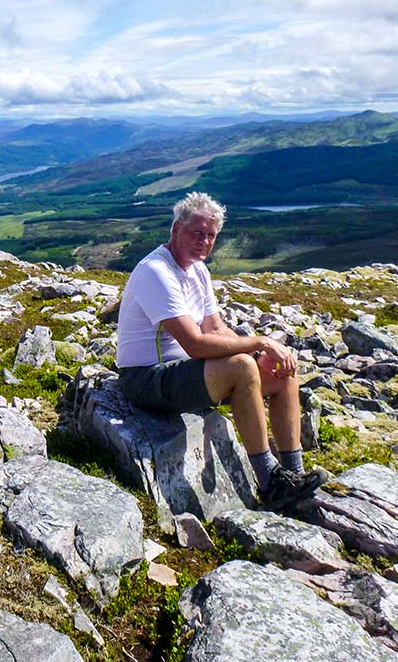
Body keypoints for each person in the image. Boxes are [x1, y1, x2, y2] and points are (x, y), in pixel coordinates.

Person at [115, 191, 326, 511]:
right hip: (146, 378)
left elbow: (215, 329)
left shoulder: (198, 271)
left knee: (282, 373)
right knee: (242, 367)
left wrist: (261, 359)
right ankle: (270, 482)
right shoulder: (156, 271)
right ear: (175, 230)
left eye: (210, 235)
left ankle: (292, 475)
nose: (203, 241)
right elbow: (195, 343)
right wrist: (259, 343)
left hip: (183, 371)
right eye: (196, 233)